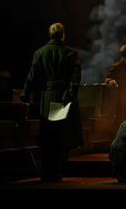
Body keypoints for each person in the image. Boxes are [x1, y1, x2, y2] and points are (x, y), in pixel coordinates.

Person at [22, 22, 83, 182]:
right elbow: (75, 80)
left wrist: (25, 94)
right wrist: (69, 96)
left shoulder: (40, 52)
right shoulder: (71, 53)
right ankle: (56, 172)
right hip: (62, 97)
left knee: (48, 135)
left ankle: (46, 172)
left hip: (47, 97)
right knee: (61, 136)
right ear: (63, 35)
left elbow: (32, 76)